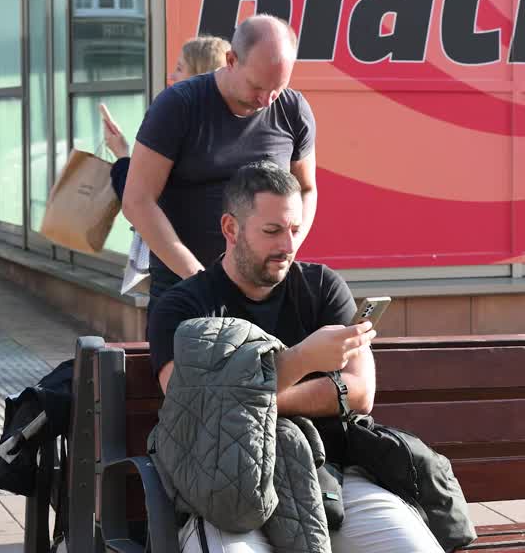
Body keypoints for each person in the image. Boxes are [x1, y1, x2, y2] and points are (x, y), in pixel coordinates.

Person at [148, 161, 441, 553]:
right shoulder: (183, 307)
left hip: (330, 475)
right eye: (272, 231)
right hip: (226, 486)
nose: (287, 245)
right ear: (231, 229)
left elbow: (360, 392)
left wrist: (248, 400)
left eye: (295, 230)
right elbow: (191, 404)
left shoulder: (322, 287)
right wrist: (303, 361)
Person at [122, 14, 318, 308]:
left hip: (265, 291)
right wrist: (201, 281)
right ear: (231, 60)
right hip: (186, 289)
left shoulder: (293, 110)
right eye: (257, 86)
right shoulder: (178, 106)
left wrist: (288, 247)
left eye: (277, 88)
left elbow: (306, 189)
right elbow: (137, 201)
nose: (266, 100)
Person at [100, 35, 231, 198]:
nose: (171, 76)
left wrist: (121, 153)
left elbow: (137, 198)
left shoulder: (176, 124)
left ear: (198, 76)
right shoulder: (233, 126)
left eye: (179, 68)